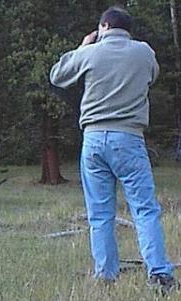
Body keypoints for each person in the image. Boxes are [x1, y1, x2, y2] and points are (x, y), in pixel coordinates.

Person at [49, 6, 177, 291]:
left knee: (99, 212)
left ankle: (106, 274)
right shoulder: (144, 52)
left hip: (93, 139)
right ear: (127, 29)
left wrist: (81, 47)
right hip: (129, 138)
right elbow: (151, 77)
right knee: (144, 209)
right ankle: (158, 272)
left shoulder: (90, 52)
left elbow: (57, 76)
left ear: (103, 26)